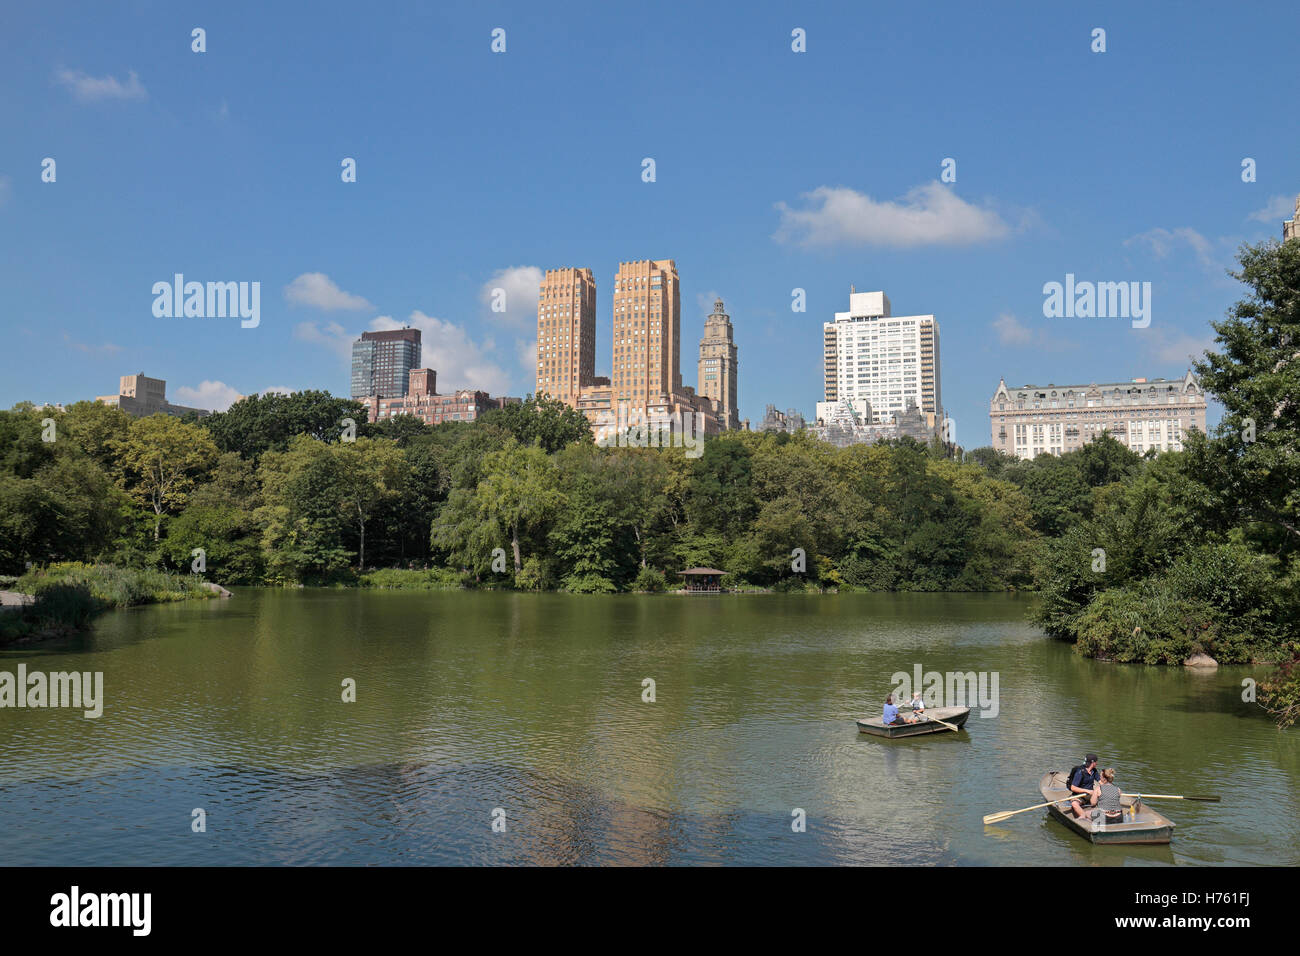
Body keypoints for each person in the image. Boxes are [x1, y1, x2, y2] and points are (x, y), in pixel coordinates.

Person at [1067, 754, 1101, 819]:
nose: (1097, 763)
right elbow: (1073, 788)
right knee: (1074, 804)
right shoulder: (1080, 772)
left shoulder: (1094, 771)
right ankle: (1084, 818)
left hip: (1091, 795)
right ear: (1093, 763)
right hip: (1079, 796)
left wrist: (1110, 788)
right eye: (1096, 762)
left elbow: (1100, 782)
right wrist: (1087, 791)